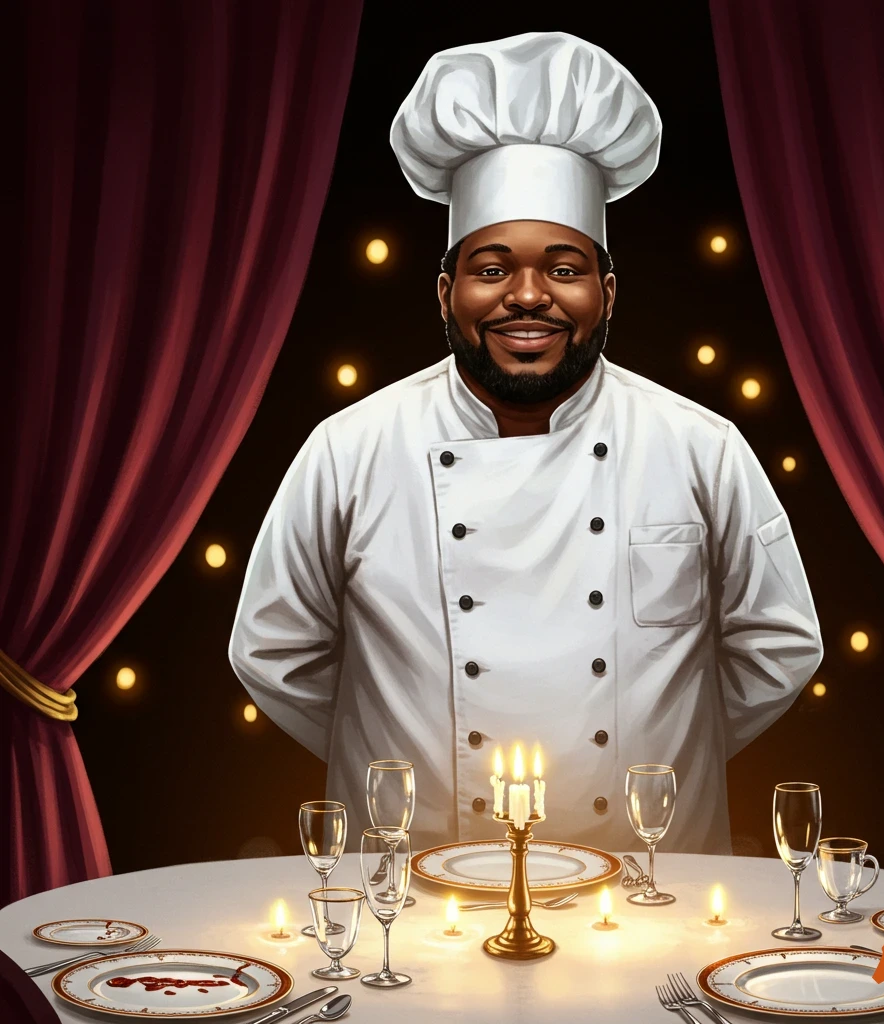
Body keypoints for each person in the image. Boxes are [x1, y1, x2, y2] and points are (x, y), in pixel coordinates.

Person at [229, 31, 823, 853]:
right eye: (493, 267)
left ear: (608, 291)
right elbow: (272, 650)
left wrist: (665, 742)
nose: (529, 296)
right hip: (420, 876)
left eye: (566, 267)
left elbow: (781, 643)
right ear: (446, 289)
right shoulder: (348, 450)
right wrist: (398, 732)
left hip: (653, 881)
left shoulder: (701, 447)